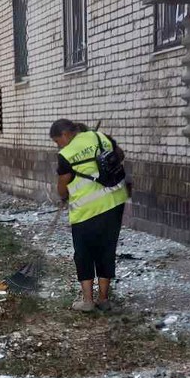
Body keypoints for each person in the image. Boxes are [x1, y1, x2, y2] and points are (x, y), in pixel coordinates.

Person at [51, 119, 129, 312]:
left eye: (56, 141)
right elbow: (120, 155)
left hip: (86, 211)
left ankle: (87, 301)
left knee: (84, 253)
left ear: (65, 135)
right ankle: (104, 299)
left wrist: (63, 196)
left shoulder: (66, 154)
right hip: (113, 202)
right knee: (106, 249)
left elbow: (63, 185)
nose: (57, 145)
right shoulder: (100, 137)